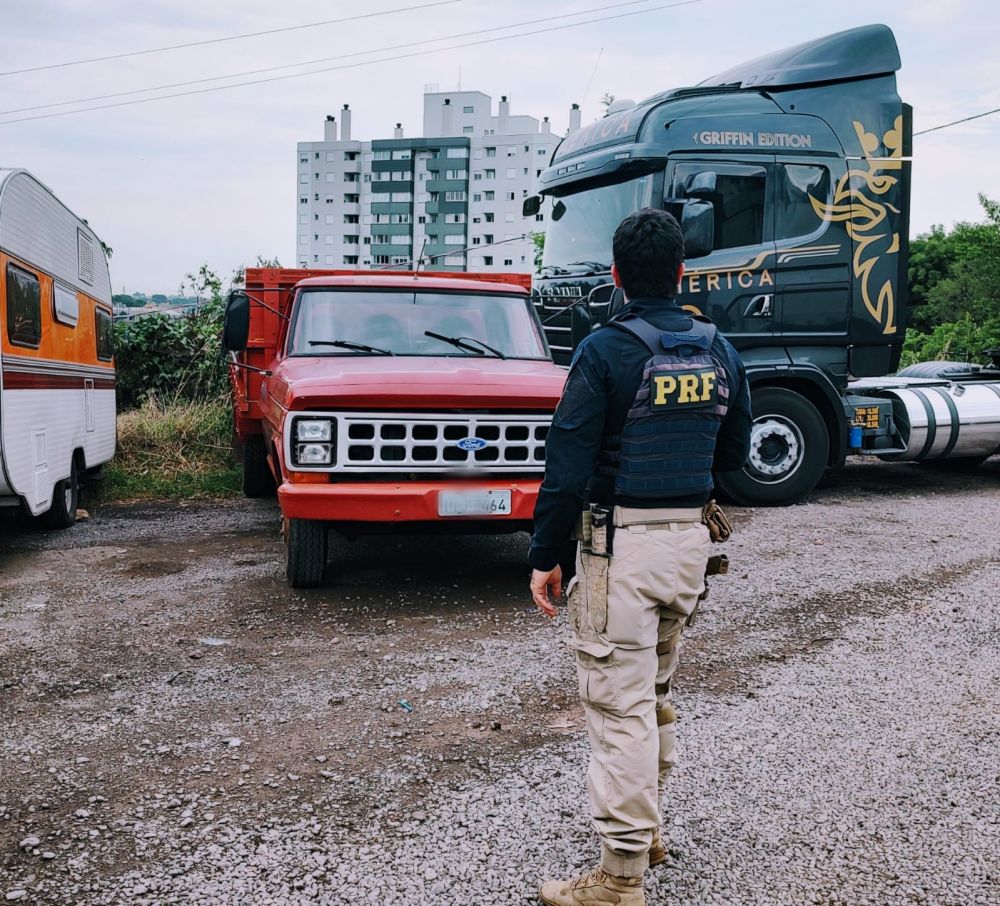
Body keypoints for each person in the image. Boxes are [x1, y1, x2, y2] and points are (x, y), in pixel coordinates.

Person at [529, 208, 752, 906]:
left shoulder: (603, 351)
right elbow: (737, 453)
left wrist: (546, 554)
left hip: (620, 549)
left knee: (618, 705)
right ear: (683, 272)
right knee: (651, 694)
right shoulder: (721, 350)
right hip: (688, 546)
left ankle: (620, 879)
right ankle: (647, 834)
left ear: (618, 277)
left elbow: (566, 464)